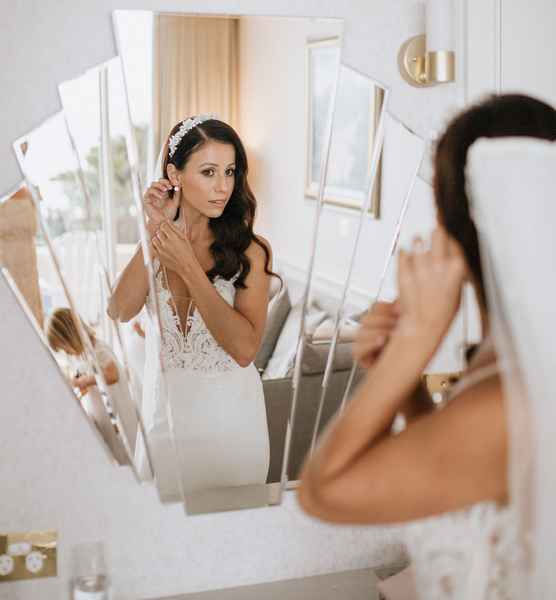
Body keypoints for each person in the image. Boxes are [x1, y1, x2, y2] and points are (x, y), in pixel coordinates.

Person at [298, 94, 556, 599]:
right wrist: (401, 381)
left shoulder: (508, 398)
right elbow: (456, 488)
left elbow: (322, 491)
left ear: (453, 222)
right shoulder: (508, 365)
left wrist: (417, 338)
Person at [108, 115, 277, 499]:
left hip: (231, 434)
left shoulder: (251, 250)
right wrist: (155, 230)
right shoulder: (158, 240)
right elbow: (118, 310)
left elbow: (244, 350)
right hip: (162, 428)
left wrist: (187, 264)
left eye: (230, 172)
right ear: (175, 174)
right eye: (208, 172)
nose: (223, 187)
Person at [45, 307, 138, 464]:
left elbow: (112, 375)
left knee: (130, 453)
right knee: (118, 457)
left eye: (64, 348)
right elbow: (91, 380)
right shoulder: (83, 357)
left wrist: (83, 381)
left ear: (71, 336)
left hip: (119, 415)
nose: (66, 353)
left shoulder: (98, 350)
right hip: (104, 419)